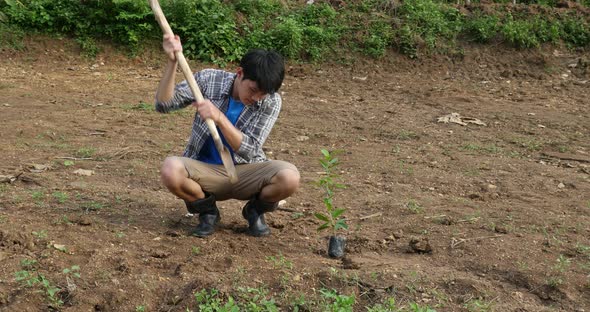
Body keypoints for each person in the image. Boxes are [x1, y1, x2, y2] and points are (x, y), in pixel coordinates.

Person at [154, 34, 300, 238]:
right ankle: (208, 212)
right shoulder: (209, 79)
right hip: (204, 173)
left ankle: (255, 211)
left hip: (245, 172)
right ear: (239, 73)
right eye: (253, 90)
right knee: (171, 169)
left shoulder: (271, 101)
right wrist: (172, 62)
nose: (256, 98)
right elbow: (163, 105)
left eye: (262, 94)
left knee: (289, 176)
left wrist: (220, 118)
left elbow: (250, 150)